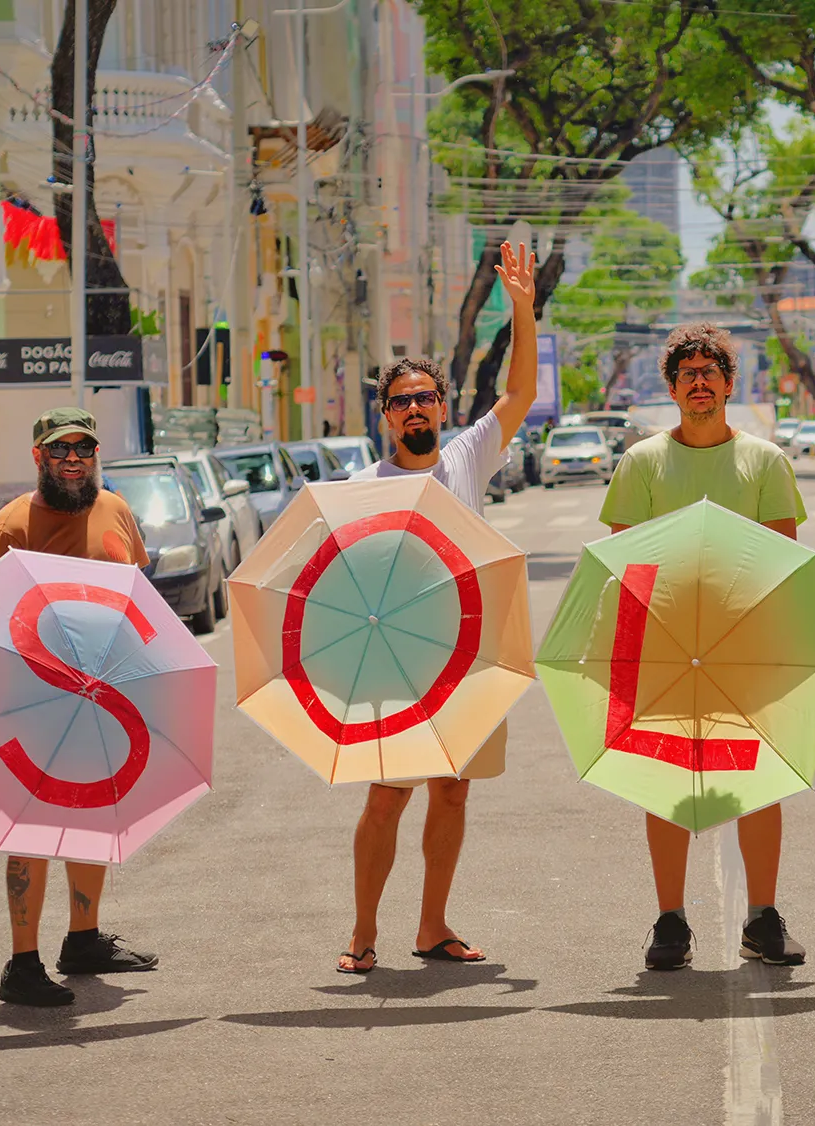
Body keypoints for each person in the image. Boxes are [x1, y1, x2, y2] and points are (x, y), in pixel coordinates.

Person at [336, 240, 536, 973]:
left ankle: (432, 926)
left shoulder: (467, 458)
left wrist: (521, 309)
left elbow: (517, 393)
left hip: (468, 660)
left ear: (443, 407)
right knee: (386, 799)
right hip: (397, 663)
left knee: (452, 794)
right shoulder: (363, 486)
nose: (415, 408)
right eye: (401, 401)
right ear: (386, 416)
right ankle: (361, 933)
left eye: (425, 397)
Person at [599, 322, 808, 971]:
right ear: (671, 387)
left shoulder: (765, 461)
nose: (698, 382)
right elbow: (622, 562)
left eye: (709, 372)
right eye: (687, 373)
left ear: (728, 384)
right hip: (666, 646)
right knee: (663, 782)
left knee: (759, 781)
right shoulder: (642, 462)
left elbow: (785, 559)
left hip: (745, 647)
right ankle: (671, 920)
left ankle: (762, 919)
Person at [0, 407, 160, 1007]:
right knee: (30, 829)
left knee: (90, 816)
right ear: (38, 457)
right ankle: (21, 964)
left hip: (105, 697)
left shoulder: (116, 511)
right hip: (35, 702)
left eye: (83, 448)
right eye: (61, 449)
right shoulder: (11, 529)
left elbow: (138, 593)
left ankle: (82, 940)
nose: (74, 459)